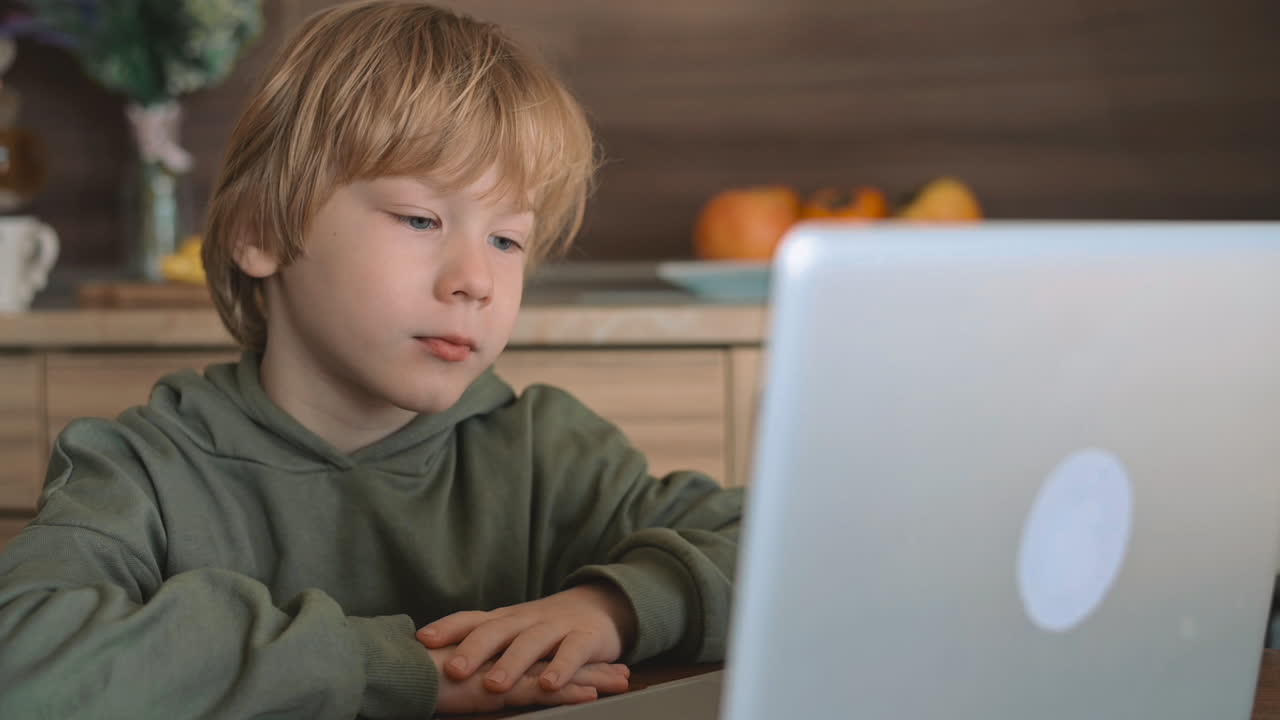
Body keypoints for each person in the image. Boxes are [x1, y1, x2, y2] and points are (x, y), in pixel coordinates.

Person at [0, 2, 743, 717]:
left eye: (506, 240)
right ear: (260, 233)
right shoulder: (141, 471)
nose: (476, 280)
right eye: (420, 218)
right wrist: (391, 669)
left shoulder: (549, 453)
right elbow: (22, 656)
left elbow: (784, 552)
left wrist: (614, 606)